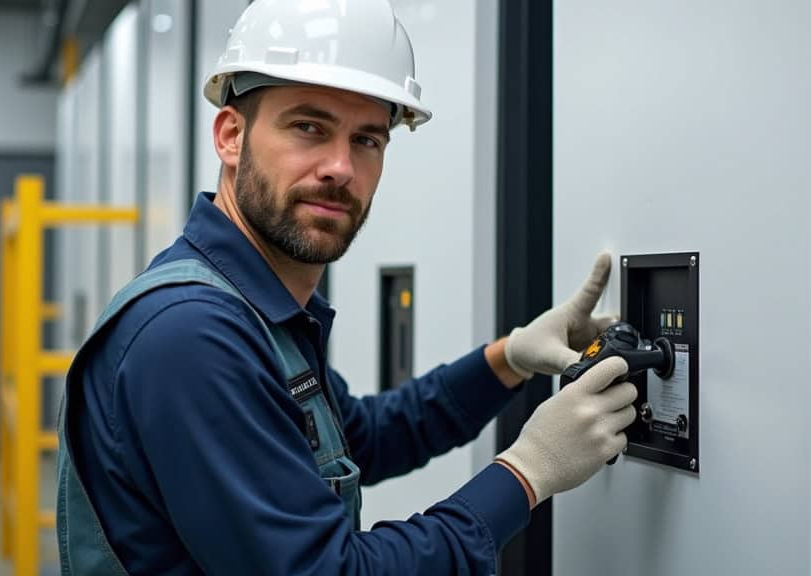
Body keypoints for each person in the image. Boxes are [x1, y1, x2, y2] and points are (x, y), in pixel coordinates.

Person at [55, 0, 638, 574]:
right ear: (231, 136)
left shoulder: (258, 314)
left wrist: (508, 358)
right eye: (309, 127)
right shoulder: (192, 334)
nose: (340, 167)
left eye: (367, 140)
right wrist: (528, 471)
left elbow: (365, 436)